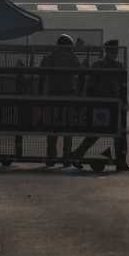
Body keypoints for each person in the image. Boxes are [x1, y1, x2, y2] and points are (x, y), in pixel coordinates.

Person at [69, 40, 129, 170]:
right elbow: (90, 86)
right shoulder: (98, 65)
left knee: (118, 134)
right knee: (96, 133)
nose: (114, 53)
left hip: (114, 104)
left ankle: (121, 161)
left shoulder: (118, 66)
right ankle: (77, 154)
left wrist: (125, 101)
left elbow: (122, 87)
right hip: (101, 104)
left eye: (115, 51)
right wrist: (90, 103)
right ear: (107, 51)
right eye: (112, 51)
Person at [42, 35, 81, 166]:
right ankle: (66, 158)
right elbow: (80, 72)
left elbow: (42, 72)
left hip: (52, 96)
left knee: (52, 128)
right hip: (68, 96)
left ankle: (51, 157)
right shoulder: (72, 57)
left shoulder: (50, 57)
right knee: (67, 128)